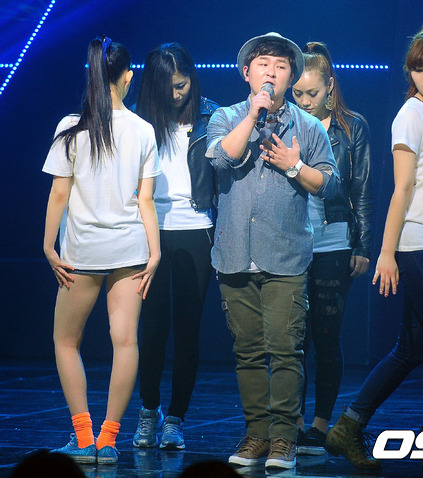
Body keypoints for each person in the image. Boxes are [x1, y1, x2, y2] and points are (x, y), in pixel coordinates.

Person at [324, 20, 423, 477]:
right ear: (410, 72)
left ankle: (349, 425)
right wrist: (387, 252)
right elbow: (402, 189)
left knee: (412, 348)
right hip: (415, 242)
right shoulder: (410, 115)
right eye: (419, 68)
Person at [206, 32, 339, 470]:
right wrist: (252, 115)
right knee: (246, 352)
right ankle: (256, 435)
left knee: (285, 350)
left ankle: (284, 438)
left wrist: (294, 166)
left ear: (291, 76)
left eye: (281, 67)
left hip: (285, 255)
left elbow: (330, 183)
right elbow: (221, 159)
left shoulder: (309, 126)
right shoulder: (226, 117)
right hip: (234, 253)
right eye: (263, 64)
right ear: (247, 73)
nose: (272, 73)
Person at [42, 36, 160, 465]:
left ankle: (84, 437)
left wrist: (47, 244)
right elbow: (146, 200)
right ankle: (108, 441)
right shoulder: (143, 130)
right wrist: (155, 252)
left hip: (82, 252)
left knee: (65, 341)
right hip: (130, 249)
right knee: (125, 342)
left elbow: (59, 193)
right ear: (127, 77)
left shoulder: (71, 127)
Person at [132, 43, 218, 451]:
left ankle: (176, 419)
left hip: (196, 227)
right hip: (149, 230)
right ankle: (149, 411)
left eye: (182, 85)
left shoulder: (211, 116)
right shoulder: (139, 120)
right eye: (167, 87)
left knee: (187, 330)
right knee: (152, 329)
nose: (176, 94)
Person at [291, 42, 373, 455]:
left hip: (335, 241)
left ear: (330, 88)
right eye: (298, 93)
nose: (305, 101)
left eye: (313, 93)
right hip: (291, 242)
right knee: (294, 338)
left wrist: (363, 245)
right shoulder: (285, 123)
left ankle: (321, 424)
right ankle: (294, 421)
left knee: (326, 335)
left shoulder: (351, 128)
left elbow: (361, 189)